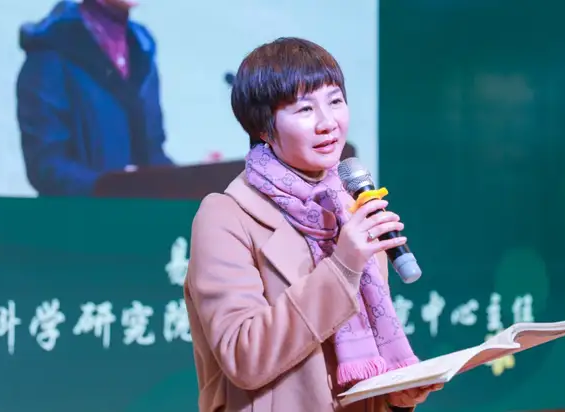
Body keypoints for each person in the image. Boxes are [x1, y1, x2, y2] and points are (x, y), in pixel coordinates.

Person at [184, 37, 441, 411]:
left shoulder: (350, 209)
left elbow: (356, 364)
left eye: (335, 101)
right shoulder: (226, 215)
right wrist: (342, 266)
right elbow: (244, 357)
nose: (328, 123)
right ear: (263, 128)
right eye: (305, 109)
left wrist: (395, 398)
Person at [16, 0, 173, 197]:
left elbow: (152, 156)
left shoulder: (142, 50)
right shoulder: (52, 46)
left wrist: (196, 179)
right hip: (78, 214)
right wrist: (117, 186)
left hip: (139, 213)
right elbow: (46, 165)